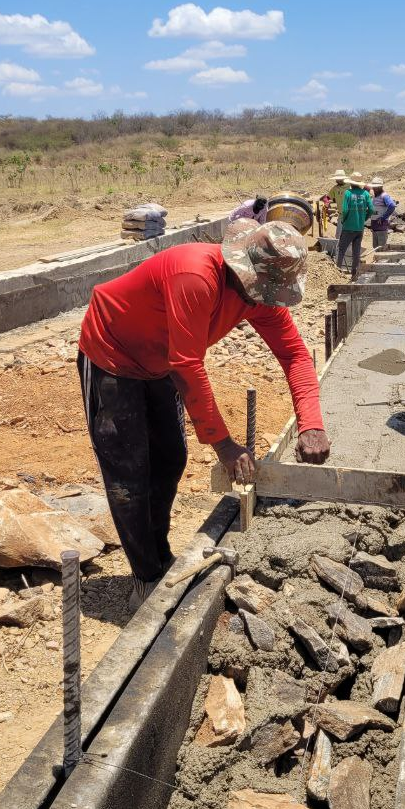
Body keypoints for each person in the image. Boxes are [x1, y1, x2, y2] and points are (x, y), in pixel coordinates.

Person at [78, 221, 332, 607]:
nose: (262, 300)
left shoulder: (258, 297)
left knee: (170, 459)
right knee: (129, 472)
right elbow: (188, 365)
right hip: (113, 353)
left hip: (161, 360)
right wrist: (225, 445)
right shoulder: (195, 276)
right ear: (242, 270)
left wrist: (311, 423)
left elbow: (295, 355)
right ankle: (147, 578)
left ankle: (158, 558)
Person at [337, 173, 372, 279]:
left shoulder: (348, 193)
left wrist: (344, 220)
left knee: (341, 249)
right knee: (356, 251)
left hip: (348, 227)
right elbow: (371, 209)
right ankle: (354, 274)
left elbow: (344, 210)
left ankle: (337, 272)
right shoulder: (365, 194)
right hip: (359, 228)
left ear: (351, 183)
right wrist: (364, 219)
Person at [367, 176, 398, 249]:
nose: (374, 189)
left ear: (380, 187)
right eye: (374, 187)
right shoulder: (375, 196)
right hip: (375, 227)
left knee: (382, 248)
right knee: (375, 248)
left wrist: (383, 217)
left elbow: (392, 206)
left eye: (376, 187)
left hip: (381, 228)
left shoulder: (384, 196)